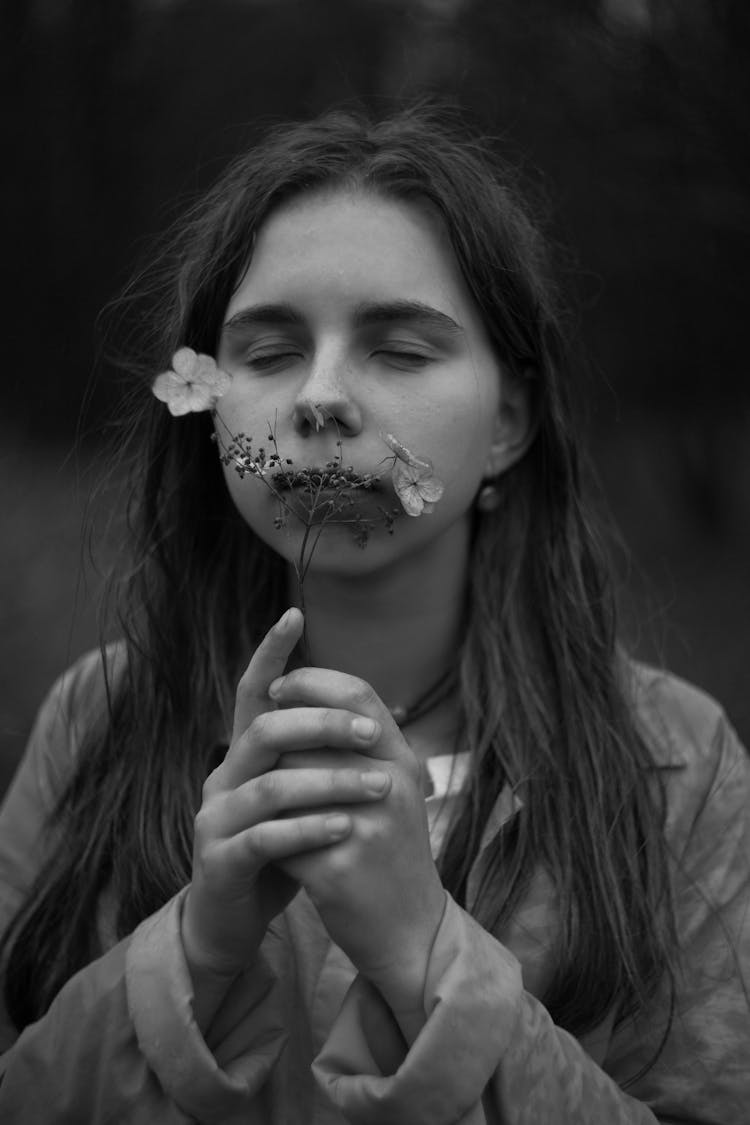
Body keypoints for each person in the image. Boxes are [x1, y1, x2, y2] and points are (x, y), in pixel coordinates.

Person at [0, 107, 747, 1124]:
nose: (320, 399)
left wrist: (423, 955)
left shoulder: (681, 764)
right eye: (266, 354)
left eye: (398, 351)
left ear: (511, 422)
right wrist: (193, 953)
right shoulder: (93, 724)